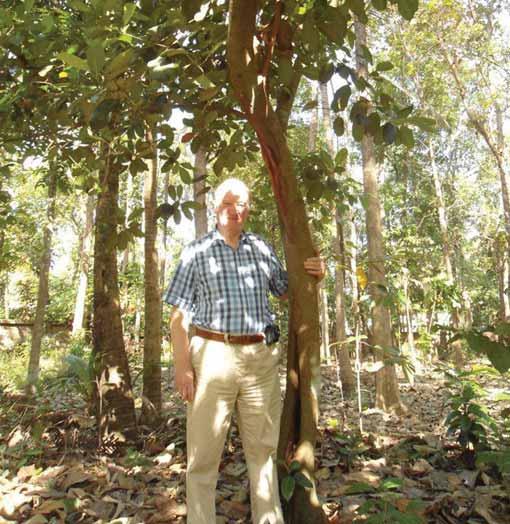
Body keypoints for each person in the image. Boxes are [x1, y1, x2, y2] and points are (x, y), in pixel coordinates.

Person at [164, 178, 325, 524]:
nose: (235, 209)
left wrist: (314, 272)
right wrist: (182, 366)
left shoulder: (260, 247)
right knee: (203, 457)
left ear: (248, 209)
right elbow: (178, 316)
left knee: (263, 453)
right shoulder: (196, 252)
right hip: (212, 357)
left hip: (259, 360)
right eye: (228, 202)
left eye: (242, 203)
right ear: (215, 206)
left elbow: (286, 289)